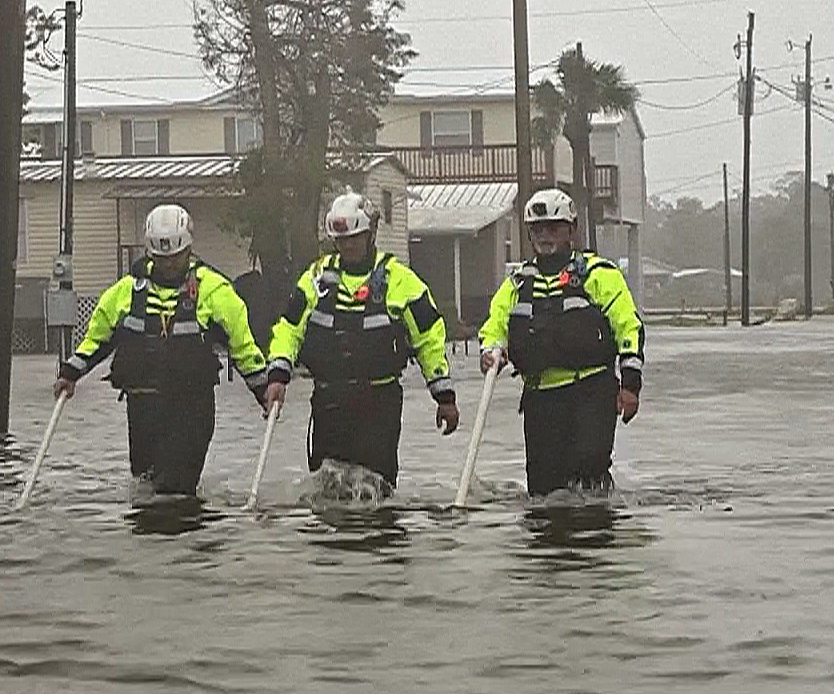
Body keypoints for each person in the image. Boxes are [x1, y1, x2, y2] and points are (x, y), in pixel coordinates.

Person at [52, 204, 270, 496]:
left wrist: (264, 390)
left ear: (188, 250)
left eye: (175, 257)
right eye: (161, 258)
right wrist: (71, 373)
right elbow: (97, 339)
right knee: (146, 487)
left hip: (190, 408)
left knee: (175, 488)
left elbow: (243, 346)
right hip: (142, 408)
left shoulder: (215, 291)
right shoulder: (125, 292)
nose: (169, 264)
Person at [265, 192, 460, 492]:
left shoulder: (399, 280)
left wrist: (443, 396)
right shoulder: (315, 278)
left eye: (355, 238)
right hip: (329, 403)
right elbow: (290, 328)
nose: (348, 246)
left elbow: (429, 337)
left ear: (370, 235)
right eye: (342, 240)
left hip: (378, 405)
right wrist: (278, 375)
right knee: (328, 491)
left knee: (376, 491)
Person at [479, 188, 644, 496]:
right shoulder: (516, 284)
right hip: (541, 398)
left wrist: (631, 385)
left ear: (571, 230)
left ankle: (595, 530)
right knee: (543, 490)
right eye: (537, 229)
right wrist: (490, 350)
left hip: (591, 393)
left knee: (587, 472)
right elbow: (495, 324)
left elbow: (628, 327)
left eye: (553, 227)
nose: (545, 235)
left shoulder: (599, 275)